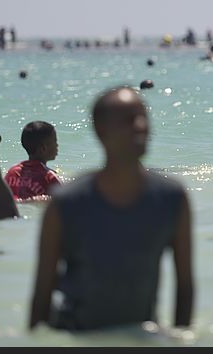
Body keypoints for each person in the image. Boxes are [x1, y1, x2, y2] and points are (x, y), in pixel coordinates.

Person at [29, 87, 193, 332]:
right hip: (77, 338)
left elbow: (185, 287)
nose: (139, 126)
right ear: (100, 130)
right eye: (128, 120)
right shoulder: (66, 203)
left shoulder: (171, 198)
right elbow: (41, 296)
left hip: (139, 336)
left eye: (143, 117)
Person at [5, 121, 61, 201]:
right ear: (43, 148)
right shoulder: (49, 177)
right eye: (55, 141)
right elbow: (64, 202)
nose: (57, 145)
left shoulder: (12, 172)